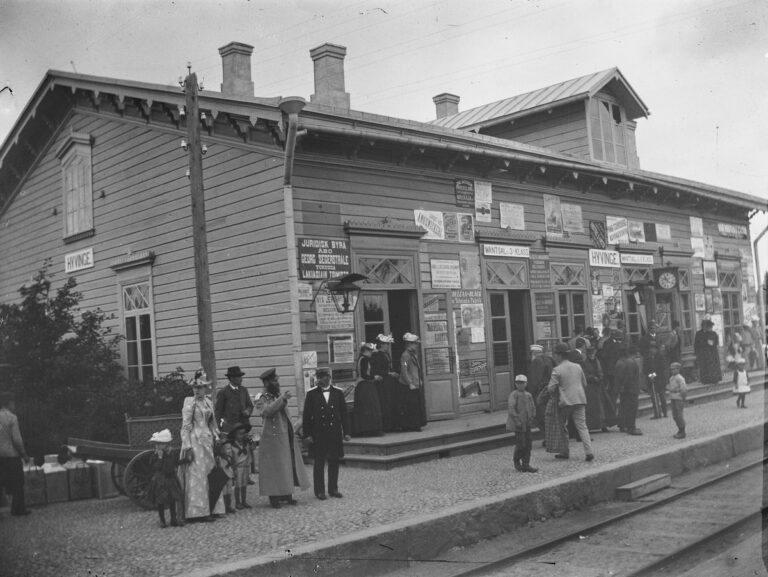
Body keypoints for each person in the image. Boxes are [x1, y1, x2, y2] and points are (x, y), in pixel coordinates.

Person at [256, 368, 310, 508]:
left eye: (277, 380)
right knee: (274, 468)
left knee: (287, 465)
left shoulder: (278, 395)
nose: (277, 383)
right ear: (266, 383)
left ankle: (287, 494)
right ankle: (274, 497)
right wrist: (282, 399)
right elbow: (267, 411)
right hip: (271, 438)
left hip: (285, 435)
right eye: (274, 381)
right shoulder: (261, 397)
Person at [179, 369, 224, 521]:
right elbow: (185, 426)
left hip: (208, 440)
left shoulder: (208, 402)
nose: (197, 390)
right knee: (197, 474)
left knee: (210, 472)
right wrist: (187, 446)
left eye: (200, 387)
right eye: (195, 387)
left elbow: (212, 423)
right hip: (195, 441)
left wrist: (216, 436)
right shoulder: (189, 403)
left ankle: (213, 507)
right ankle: (198, 511)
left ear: (206, 388)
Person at [302, 367, 351, 500]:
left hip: (334, 432)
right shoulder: (311, 394)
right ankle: (319, 491)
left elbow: (344, 414)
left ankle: (333, 489)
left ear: (328, 378)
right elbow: (306, 416)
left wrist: (347, 432)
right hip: (318, 433)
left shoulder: (338, 392)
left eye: (321, 377)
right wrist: (307, 435)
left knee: (334, 461)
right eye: (318, 377)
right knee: (319, 462)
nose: (319, 380)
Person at [547, 342, 594, 461]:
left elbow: (551, 388)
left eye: (555, 354)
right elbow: (585, 383)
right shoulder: (577, 366)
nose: (554, 356)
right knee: (582, 426)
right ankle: (589, 452)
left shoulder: (557, 370)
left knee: (562, 426)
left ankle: (565, 451)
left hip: (565, 402)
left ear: (559, 355)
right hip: (580, 399)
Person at [215, 365, 256, 484]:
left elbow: (250, 405)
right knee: (231, 452)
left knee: (244, 451)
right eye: (238, 376)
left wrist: (248, 411)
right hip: (230, 427)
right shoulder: (223, 392)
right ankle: (232, 476)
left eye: (241, 376)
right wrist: (218, 429)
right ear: (232, 378)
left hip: (243, 426)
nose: (241, 379)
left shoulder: (243, 390)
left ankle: (245, 477)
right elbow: (218, 412)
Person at [0, 391, 31, 516]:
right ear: (9, 403)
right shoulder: (12, 418)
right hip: (11, 455)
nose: (14, 405)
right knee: (18, 482)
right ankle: (18, 509)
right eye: (13, 403)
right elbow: (16, 439)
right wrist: (24, 454)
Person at [146, 429, 184, 527]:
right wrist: (160, 457)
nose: (157, 446)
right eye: (157, 444)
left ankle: (173, 519)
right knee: (161, 500)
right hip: (160, 480)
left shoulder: (171, 453)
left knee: (172, 499)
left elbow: (176, 462)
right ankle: (162, 520)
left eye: (160, 444)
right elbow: (156, 467)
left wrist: (186, 460)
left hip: (171, 479)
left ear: (166, 444)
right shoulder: (155, 455)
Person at [506, 375, 538, 473]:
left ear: (526, 384)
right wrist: (517, 420)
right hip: (518, 424)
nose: (520, 385)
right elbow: (511, 408)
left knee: (528, 444)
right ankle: (516, 460)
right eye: (518, 383)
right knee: (521, 444)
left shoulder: (528, 395)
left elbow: (533, 407)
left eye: (522, 383)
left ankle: (526, 464)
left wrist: (532, 417)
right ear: (515, 384)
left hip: (527, 423)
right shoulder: (514, 395)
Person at [398, 333, 427, 432]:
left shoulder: (413, 354)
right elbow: (404, 370)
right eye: (414, 343)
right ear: (409, 344)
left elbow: (415, 368)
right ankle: (412, 425)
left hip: (415, 382)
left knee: (416, 405)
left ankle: (416, 424)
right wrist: (409, 383)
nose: (416, 345)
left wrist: (419, 379)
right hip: (409, 384)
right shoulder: (405, 355)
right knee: (411, 406)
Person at [353, 343, 383, 436]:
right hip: (365, 386)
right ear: (365, 350)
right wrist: (375, 377)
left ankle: (366, 429)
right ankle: (370, 429)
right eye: (370, 351)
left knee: (366, 408)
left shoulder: (361, 359)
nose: (371, 353)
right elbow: (364, 375)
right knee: (370, 407)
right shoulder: (364, 360)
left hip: (363, 386)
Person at [371, 334, 399, 432]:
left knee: (390, 401)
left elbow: (389, 367)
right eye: (386, 344)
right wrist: (389, 373)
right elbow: (376, 370)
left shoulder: (386, 354)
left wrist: (393, 372)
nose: (388, 346)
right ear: (381, 344)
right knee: (384, 402)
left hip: (389, 381)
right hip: (382, 382)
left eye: (388, 344)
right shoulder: (377, 355)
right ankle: (386, 426)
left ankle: (391, 424)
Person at [615, 346, 642, 435]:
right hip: (631, 389)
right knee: (632, 409)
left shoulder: (626, 362)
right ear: (635, 353)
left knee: (626, 407)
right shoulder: (631, 362)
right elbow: (629, 377)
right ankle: (631, 427)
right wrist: (627, 387)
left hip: (628, 389)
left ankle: (626, 425)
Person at [582, 341, 608, 431]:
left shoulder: (597, 361)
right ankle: (591, 426)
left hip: (598, 386)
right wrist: (592, 378)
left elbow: (601, 371)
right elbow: (584, 374)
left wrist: (600, 377)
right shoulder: (585, 363)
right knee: (592, 407)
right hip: (590, 388)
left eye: (593, 354)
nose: (592, 355)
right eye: (590, 354)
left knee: (601, 407)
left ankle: (603, 425)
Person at [527, 344, 554, 433]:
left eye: (531, 353)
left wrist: (530, 392)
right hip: (549, 390)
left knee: (541, 416)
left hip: (540, 392)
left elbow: (534, 379)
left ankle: (547, 436)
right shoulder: (548, 360)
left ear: (534, 353)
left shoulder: (536, 362)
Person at [226, 422, 252, 509]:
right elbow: (231, 457)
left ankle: (244, 501)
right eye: (240, 434)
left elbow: (252, 448)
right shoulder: (232, 445)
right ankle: (237, 502)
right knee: (238, 485)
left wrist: (252, 441)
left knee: (244, 485)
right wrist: (232, 467)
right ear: (235, 435)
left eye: (244, 433)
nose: (242, 436)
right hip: (238, 467)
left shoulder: (246, 443)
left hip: (245, 466)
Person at [598, 329, 625, 409]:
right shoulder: (621, 346)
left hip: (611, 370)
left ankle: (612, 406)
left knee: (613, 389)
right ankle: (613, 406)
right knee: (616, 389)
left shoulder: (609, 345)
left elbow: (604, 357)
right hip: (616, 371)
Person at [694, 318, 722, 384]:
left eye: (710, 327)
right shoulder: (699, 333)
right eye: (708, 327)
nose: (710, 328)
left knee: (713, 366)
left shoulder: (713, 333)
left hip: (712, 352)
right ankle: (705, 380)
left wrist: (713, 343)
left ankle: (714, 379)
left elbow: (716, 342)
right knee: (704, 367)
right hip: (703, 353)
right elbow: (696, 344)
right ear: (704, 326)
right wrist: (697, 353)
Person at [645, 342, 668, 419]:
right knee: (653, 398)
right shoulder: (647, 358)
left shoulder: (661, 357)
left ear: (656, 349)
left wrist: (654, 375)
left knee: (662, 397)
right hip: (651, 381)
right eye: (651, 348)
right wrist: (650, 376)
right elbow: (645, 369)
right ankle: (657, 413)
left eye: (653, 348)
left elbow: (662, 368)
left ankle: (665, 412)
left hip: (660, 380)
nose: (652, 350)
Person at [667, 362, 687, 439]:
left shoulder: (680, 378)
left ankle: (682, 431)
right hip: (673, 398)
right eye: (671, 369)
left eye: (674, 369)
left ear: (678, 369)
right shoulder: (671, 378)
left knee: (679, 415)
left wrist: (683, 397)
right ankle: (679, 429)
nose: (672, 370)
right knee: (675, 415)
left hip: (678, 398)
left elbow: (683, 389)